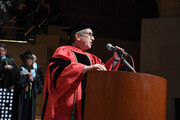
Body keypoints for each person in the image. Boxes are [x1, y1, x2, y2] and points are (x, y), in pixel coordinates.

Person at [41, 23, 125, 120]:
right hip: (68, 104)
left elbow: (104, 72)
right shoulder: (63, 51)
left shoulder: (91, 57)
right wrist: (86, 68)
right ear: (78, 36)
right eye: (89, 34)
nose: (93, 38)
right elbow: (58, 70)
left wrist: (115, 59)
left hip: (86, 103)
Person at [12, 51, 44, 120]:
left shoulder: (34, 70)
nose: (29, 61)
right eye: (27, 59)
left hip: (31, 94)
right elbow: (18, 81)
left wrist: (33, 80)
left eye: (31, 59)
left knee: (30, 111)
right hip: (22, 94)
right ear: (24, 60)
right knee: (21, 111)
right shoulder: (21, 69)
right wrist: (27, 77)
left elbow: (39, 82)